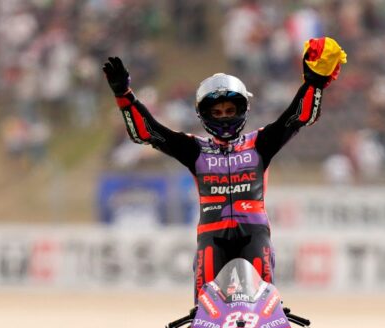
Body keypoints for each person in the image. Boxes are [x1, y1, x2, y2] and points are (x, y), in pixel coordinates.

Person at [103, 37, 347, 300]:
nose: (224, 116)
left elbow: (299, 116)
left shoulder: (261, 143)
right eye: (216, 112)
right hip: (211, 239)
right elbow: (146, 133)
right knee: (203, 311)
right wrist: (123, 96)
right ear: (203, 115)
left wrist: (315, 82)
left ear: (243, 109)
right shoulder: (194, 148)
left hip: (254, 236)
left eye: (230, 109)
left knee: (264, 305)